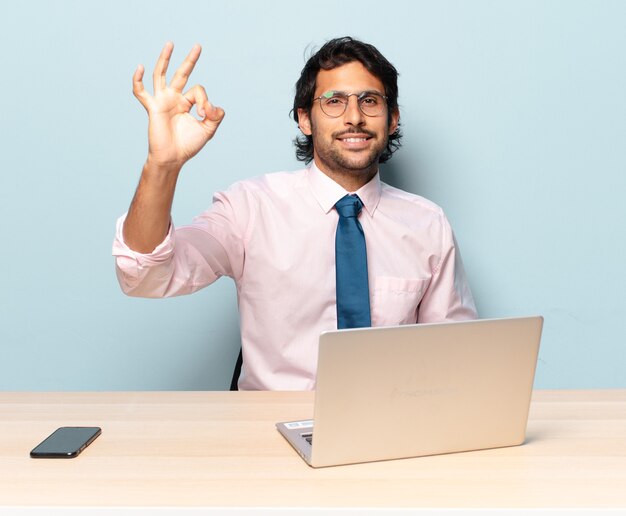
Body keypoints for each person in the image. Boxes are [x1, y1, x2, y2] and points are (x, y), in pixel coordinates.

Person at [113, 37, 477, 390]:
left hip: (389, 432)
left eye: (370, 101)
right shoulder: (250, 208)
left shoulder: (427, 224)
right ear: (305, 119)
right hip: (268, 435)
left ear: (392, 118)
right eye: (333, 101)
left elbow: (455, 358)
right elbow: (144, 275)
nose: (354, 117)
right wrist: (162, 165)